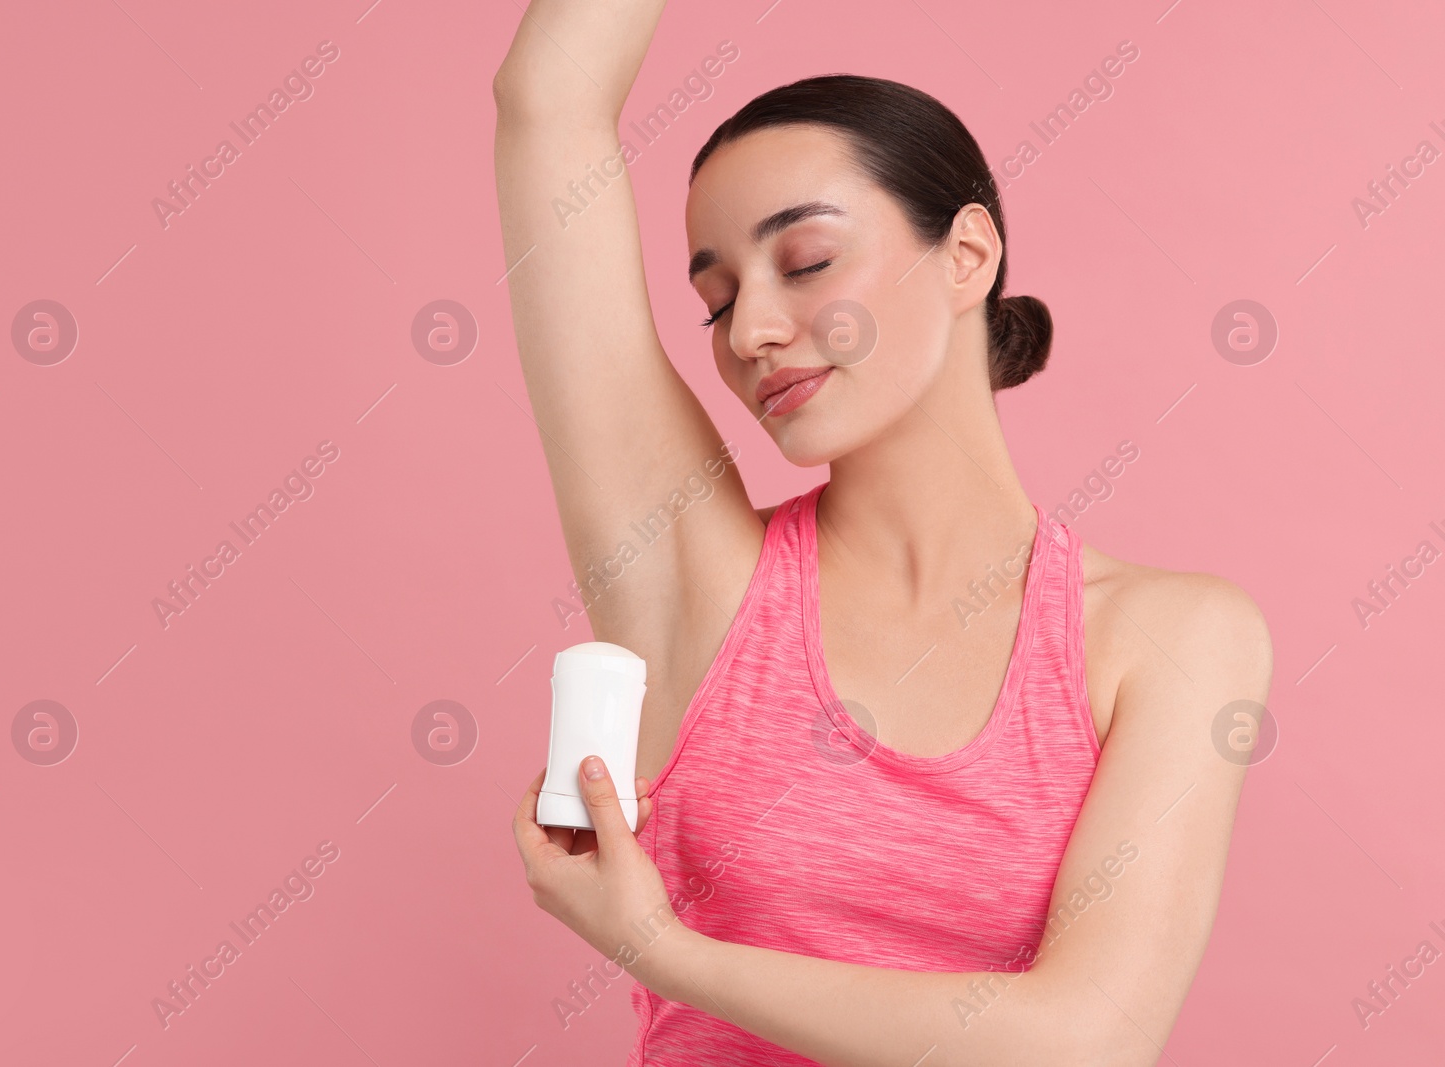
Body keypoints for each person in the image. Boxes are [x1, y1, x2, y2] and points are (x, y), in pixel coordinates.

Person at [497, 3, 1273, 1064]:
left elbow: (1087, 1039)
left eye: (805, 262)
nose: (752, 330)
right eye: (716, 300)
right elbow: (547, 103)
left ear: (966, 254)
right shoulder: (699, 585)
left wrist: (658, 948)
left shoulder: (1173, 635)